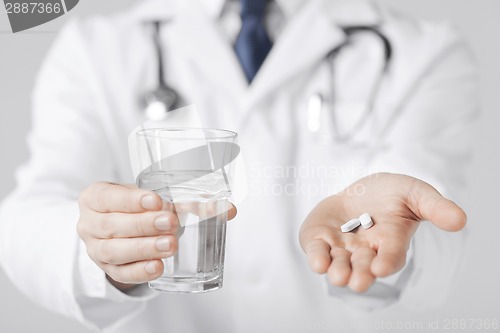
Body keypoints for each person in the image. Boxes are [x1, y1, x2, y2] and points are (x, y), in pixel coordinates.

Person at [0, 0, 479, 332]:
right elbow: (27, 215)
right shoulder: (96, 48)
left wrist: (394, 239)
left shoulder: (425, 53)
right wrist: (101, 247)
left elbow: (433, 227)